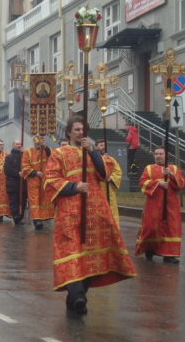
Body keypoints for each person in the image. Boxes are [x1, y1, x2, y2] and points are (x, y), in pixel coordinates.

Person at [44, 116, 137, 314]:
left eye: (83, 130)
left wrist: (93, 151)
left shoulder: (92, 153)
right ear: (68, 132)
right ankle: (77, 296)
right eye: (76, 129)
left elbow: (104, 174)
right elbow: (50, 180)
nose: (80, 133)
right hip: (70, 212)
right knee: (72, 253)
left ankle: (76, 297)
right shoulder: (58, 154)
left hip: (94, 211)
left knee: (88, 258)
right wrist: (74, 186)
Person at [134, 146, 185, 263]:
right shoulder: (149, 168)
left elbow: (181, 183)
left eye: (161, 154)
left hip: (171, 204)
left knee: (171, 228)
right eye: (156, 154)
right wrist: (158, 183)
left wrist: (172, 175)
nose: (158, 156)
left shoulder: (173, 168)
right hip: (154, 204)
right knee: (151, 227)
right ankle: (150, 248)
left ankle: (169, 254)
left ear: (166, 155)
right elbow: (143, 182)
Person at [22, 135, 54, 230]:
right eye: (36, 141)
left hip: (45, 179)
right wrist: (36, 172)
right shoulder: (28, 152)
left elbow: (53, 157)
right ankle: (37, 220)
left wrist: (45, 147)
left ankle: (45, 216)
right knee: (34, 200)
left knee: (45, 198)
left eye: (40, 141)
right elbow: (24, 166)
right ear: (33, 142)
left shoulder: (47, 150)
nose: (38, 143)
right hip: (33, 179)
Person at [95, 139, 122, 225]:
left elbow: (118, 172)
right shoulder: (92, 159)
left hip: (109, 191)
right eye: (101, 145)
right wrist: (102, 160)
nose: (103, 147)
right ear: (96, 147)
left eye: (104, 145)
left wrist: (111, 178)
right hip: (97, 191)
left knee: (112, 214)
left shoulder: (112, 160)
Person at [4, 139, 27, 225]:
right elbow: (7, 170)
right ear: (13, 146)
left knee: (23, 202)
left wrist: (24, 153)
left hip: (23, 185)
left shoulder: (24, 156)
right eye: (17, 144)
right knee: (14, 201)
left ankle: (21, 216)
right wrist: (17, 173)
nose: (18, 146)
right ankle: (16, 216)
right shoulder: (9, 157)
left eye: (20, 144)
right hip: (13, 184)